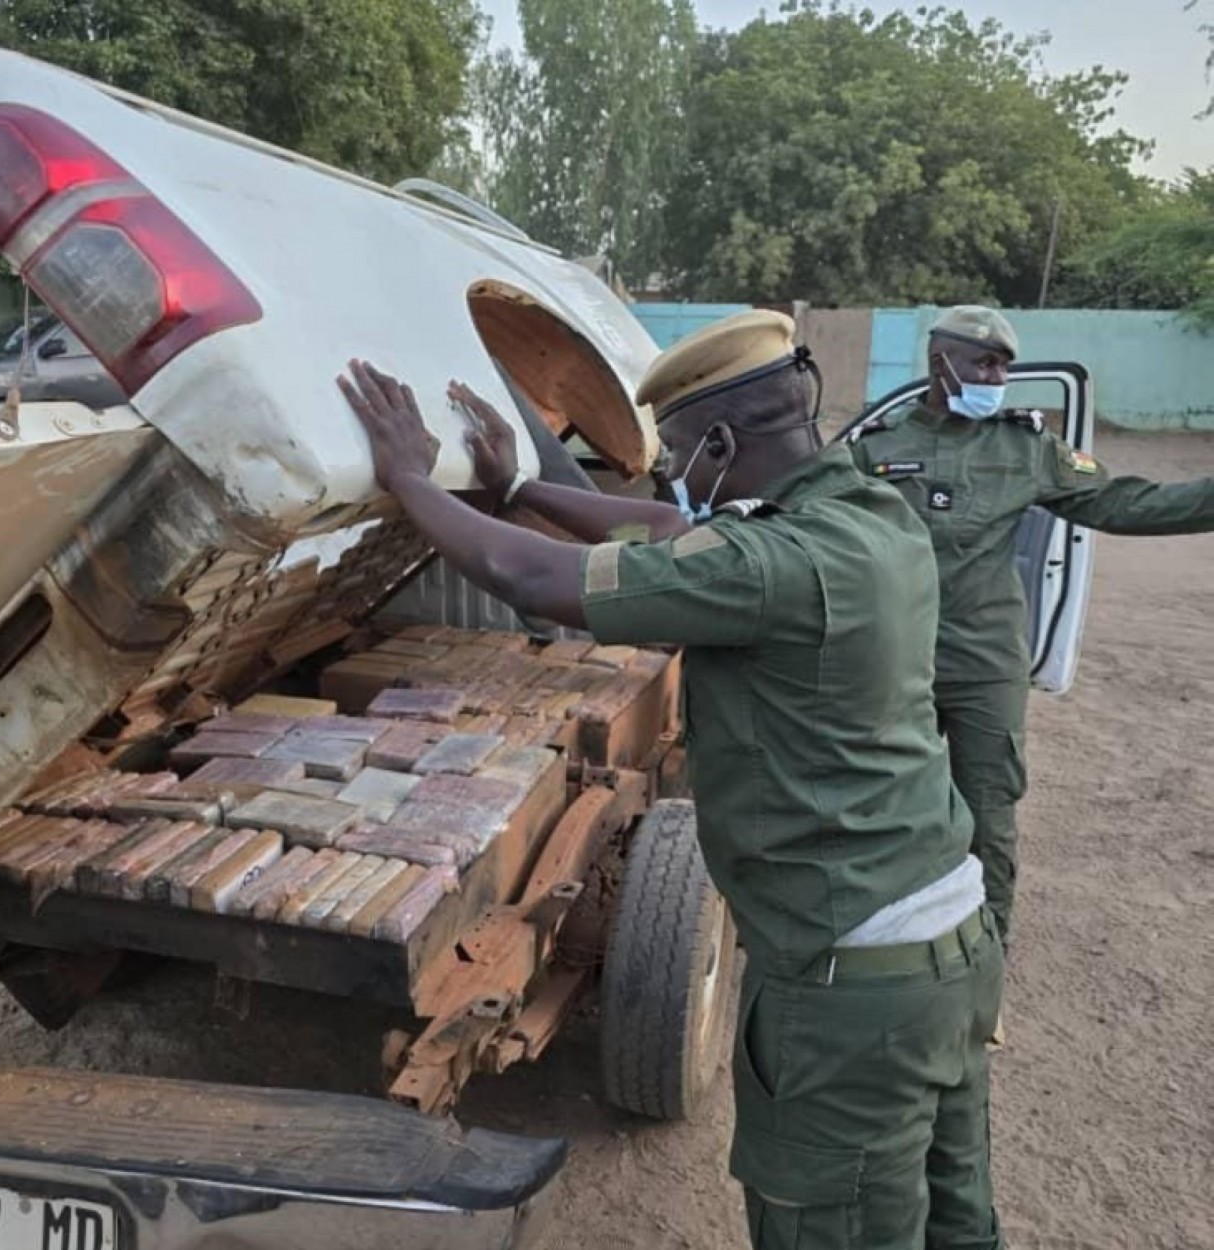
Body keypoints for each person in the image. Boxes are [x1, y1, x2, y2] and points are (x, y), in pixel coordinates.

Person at [338, 310, 1005, 1250]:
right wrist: (520, 483)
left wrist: (410, 477)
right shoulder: (867, 512)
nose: (672, 472)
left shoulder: (773, 564)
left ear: (723, 440)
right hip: (948, 953)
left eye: (683, 451)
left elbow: (528, 578)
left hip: (853, 988)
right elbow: (667, 525)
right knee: (956, 1222)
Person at [847, 305, 1214, 951]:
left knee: (988, 818)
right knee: (884, 811)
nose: (998, 376)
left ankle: (983, 966)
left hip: (984, 665)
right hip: (893, 661)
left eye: (1004, 365)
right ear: (942, 363)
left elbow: (1129, 502)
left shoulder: (1029, 448)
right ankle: (882, 953)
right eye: (984, 362)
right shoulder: (877, 449)